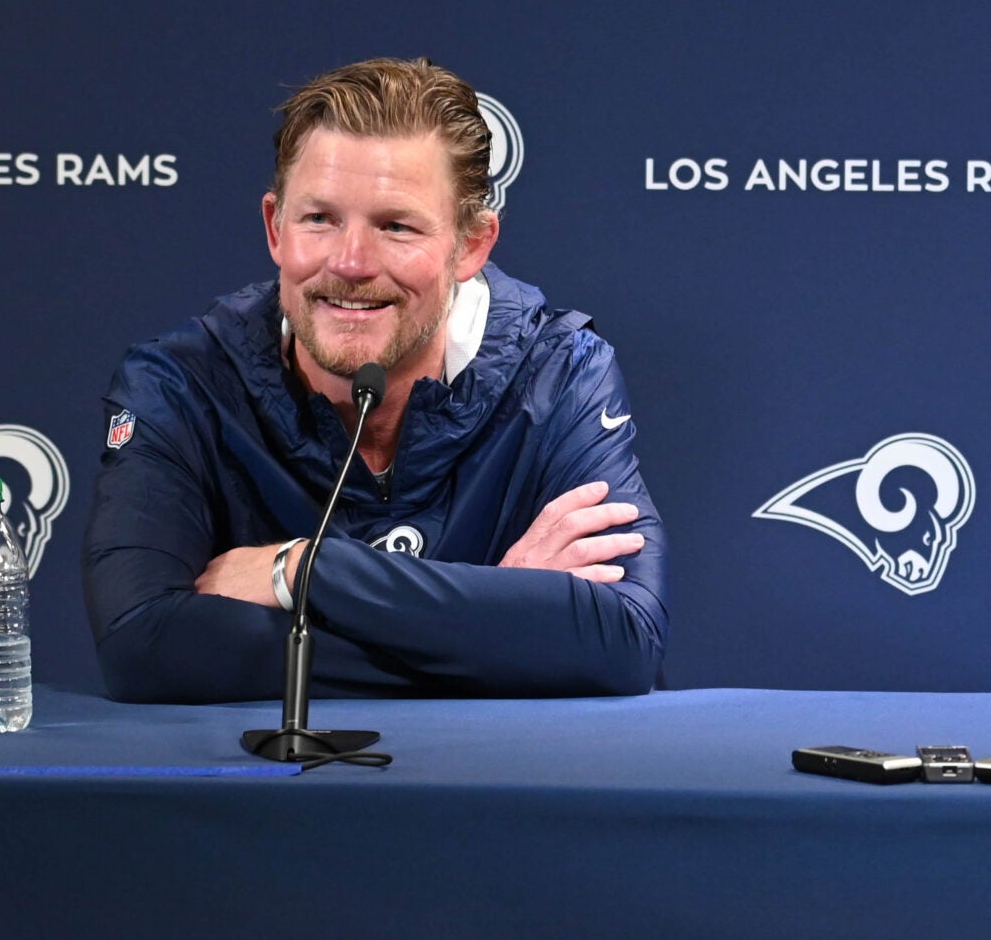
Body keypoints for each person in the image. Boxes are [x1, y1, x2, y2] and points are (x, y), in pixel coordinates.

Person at [83, 57, 664, 701]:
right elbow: (143, 646)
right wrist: (504, 624)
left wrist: (305, 571)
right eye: (319, 219)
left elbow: (623, 643)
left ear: (471, 245)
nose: (351, 263)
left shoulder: (560, 373)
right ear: (275, 228)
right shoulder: (180, 385)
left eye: (396, 226)